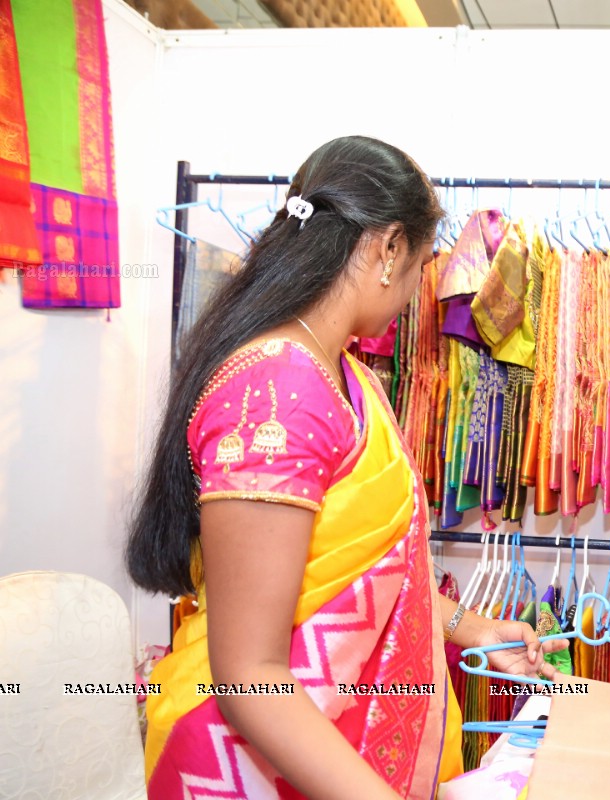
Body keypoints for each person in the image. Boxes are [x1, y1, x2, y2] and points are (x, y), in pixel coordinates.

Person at [126, 136, 562, 799]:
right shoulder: (275, 393)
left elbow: (370, 573)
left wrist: (474, 630)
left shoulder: (353, 380)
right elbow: (250, 677)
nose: (417, 289)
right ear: (388, 249)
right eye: (421, 265)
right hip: (252, 767)